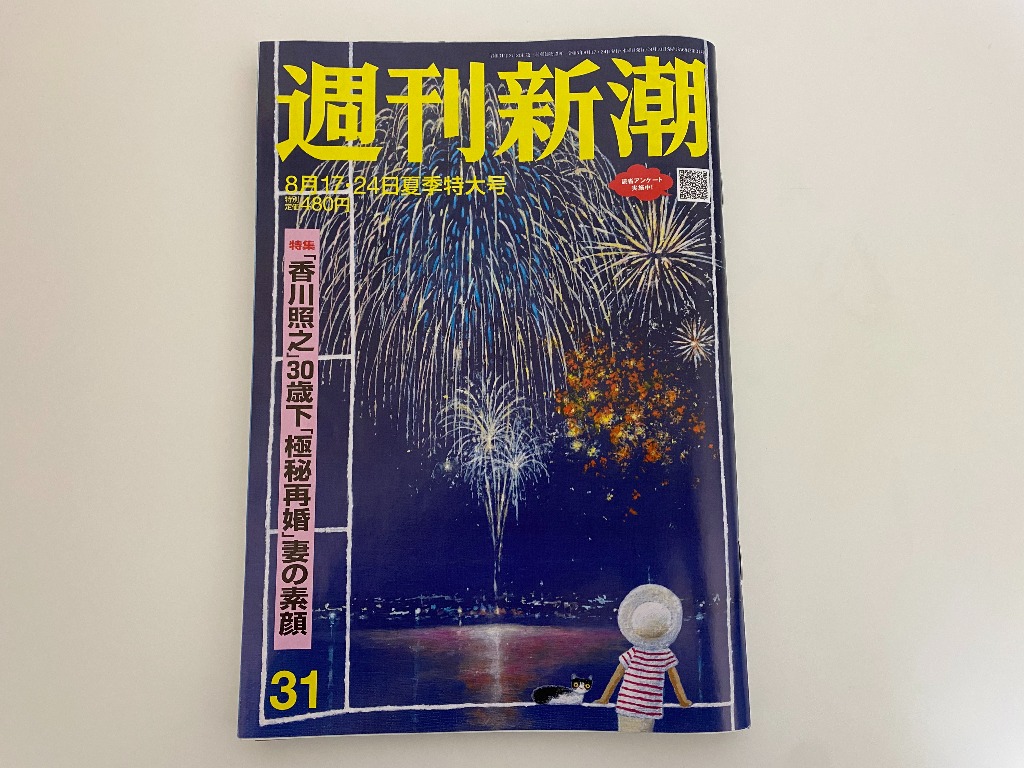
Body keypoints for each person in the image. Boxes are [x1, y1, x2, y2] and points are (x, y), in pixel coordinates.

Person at [595, 583, 693, 732]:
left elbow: (617, 676)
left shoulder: (633, 652)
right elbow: (675, 681)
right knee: (644, 737)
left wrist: (604, 699)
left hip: (626, 705)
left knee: (625, 735)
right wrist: (683, 701)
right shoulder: (665, 655)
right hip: (648, 709)